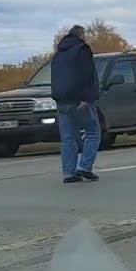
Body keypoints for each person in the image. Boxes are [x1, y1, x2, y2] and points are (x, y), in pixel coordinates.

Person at [51, 25, 102, 183]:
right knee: (93, 132)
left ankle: (69, 173)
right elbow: (86, 75)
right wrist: (86, 98)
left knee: (68, 138)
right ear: (81, 35)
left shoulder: (59, 54)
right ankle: (84, 167)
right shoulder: (82, 50)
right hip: (79, 100)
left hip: (62, 100)